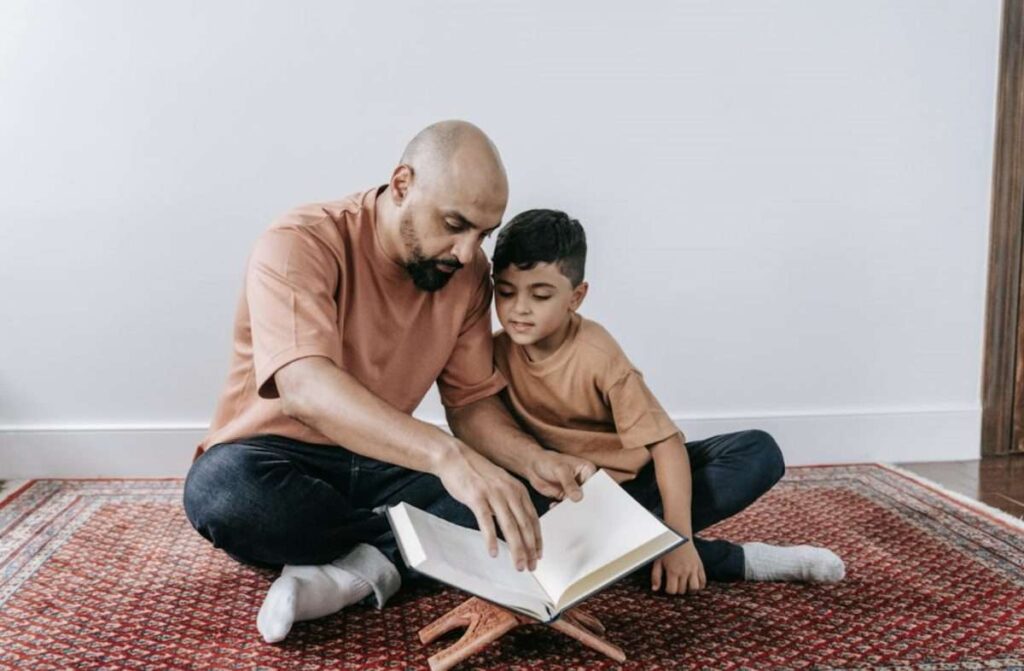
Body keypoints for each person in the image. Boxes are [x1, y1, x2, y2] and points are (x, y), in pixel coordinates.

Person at [182, 122, 596, 643]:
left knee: (517, 500)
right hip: (277, 458)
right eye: (454, 224)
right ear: (402, 184)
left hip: (386, 462)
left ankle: (354, 567)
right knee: (223, 494)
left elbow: (470, 406)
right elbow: (305, 389)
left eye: (483, 234)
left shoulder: (465, 275)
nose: (468, 253)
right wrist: (449, 459)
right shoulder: (300, 243)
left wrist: (533, 461)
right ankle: (397, 551)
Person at [490, 208, 845, 594]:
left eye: (540, 295)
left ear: (576, 297)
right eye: (505, 292)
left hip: (631, 492)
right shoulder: (489, 352)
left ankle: (660, 546)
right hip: (557, 500)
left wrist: (680, 537)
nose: (519, 309)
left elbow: (666, 444)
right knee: (449, 512)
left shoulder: (598, 355)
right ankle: (721, 558)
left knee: (758, 451)